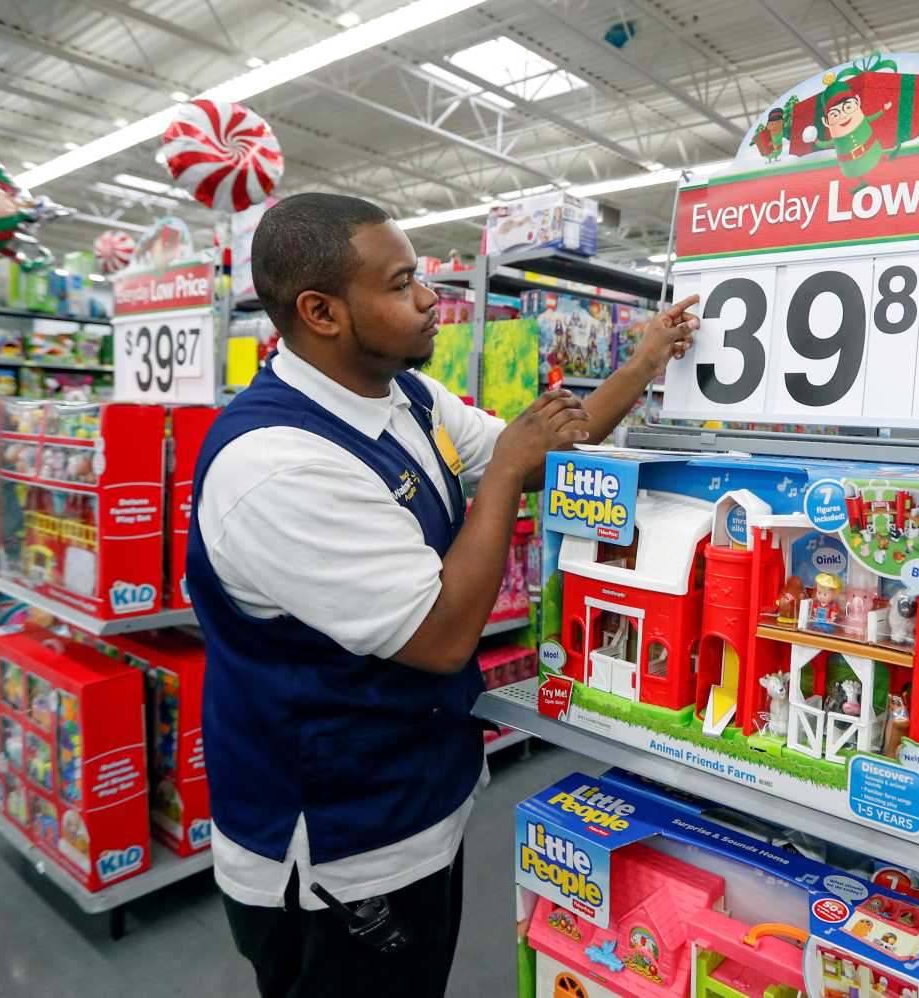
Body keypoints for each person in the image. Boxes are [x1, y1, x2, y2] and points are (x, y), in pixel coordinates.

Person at [188, 192, 699, 998]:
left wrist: (642, 362)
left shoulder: (406, 399)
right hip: (340, 853)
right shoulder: (276, 464)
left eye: (420, 276)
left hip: (415, 801)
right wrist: (500, 470)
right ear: (321, 311)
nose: (430, 299)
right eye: (399, 285)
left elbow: (541, 457)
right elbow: (442, 635)